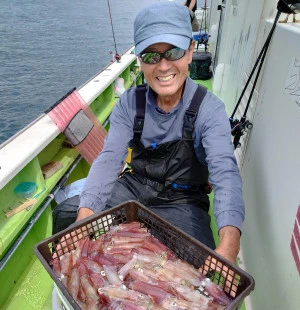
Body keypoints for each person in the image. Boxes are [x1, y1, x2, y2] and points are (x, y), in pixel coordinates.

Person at [53, 1, 244, 265]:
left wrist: (229, 244)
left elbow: (226, 175)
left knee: (198, 264)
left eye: (173, 52)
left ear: (190, 51)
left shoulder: (209, 110)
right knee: (67, 214)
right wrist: (85, 216)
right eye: (152, 56)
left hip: (184, 200)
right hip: (134, 187)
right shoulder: (130, 102)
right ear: (140, 60)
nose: (164, 66)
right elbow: (110, 159)